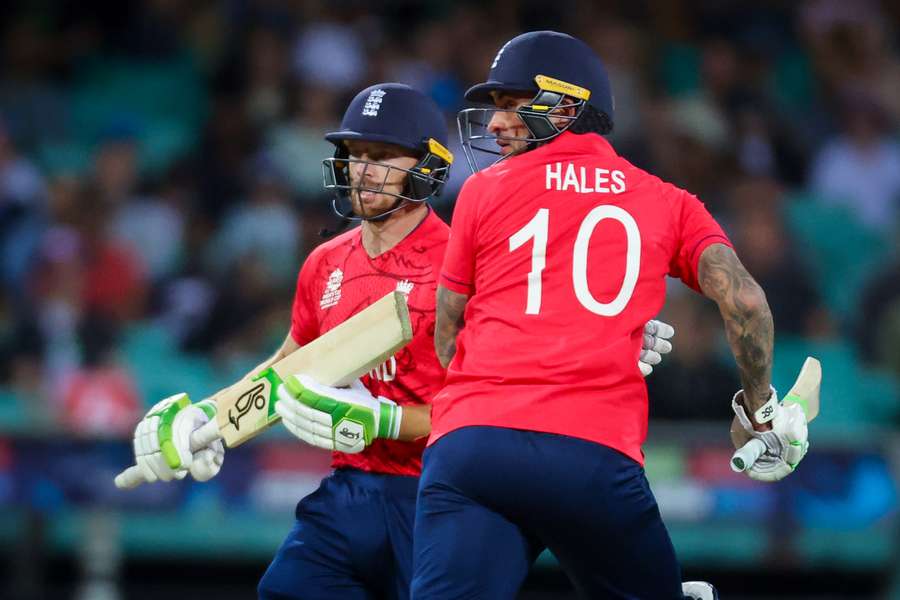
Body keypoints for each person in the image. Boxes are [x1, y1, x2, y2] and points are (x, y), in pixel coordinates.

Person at [116, 83, 674, 598]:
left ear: (428, 167)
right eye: (356, 155)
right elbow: (293, 364)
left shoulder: (471, 263)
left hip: (438, 494)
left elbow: (497, 404)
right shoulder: (324, 264)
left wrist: (616, 336)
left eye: (383, 158)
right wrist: (212, 423)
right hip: (350, 490)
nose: (364, 171)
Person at [411, 31, 809, 600]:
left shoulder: (481, 192)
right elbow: (745, 299)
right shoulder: (666, 200)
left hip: (472, 447)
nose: (495, 124)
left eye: (511, 105)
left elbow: (447, 339)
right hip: (591, 452)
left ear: (566, 106)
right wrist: (759, 410)